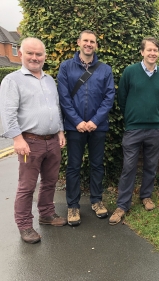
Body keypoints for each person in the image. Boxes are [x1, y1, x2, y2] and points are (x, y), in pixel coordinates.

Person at [0, 37, 67, 244]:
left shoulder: (49, 80)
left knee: (50, 181)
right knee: (27, 186)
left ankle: (46, 214)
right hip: (30, 143)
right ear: (20, 54)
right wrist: (17, 139)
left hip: (52, 140)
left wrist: (61, 132)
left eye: (39, 54)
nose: (35, 57)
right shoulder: (12, 81)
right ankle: (25, 225)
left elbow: (56, 108)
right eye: (30, 53)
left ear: (45, 56)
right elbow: (8, 113)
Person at [109, 36, 159, 225]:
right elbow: (122, 98)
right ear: (142, 52)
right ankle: (122, 205)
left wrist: (155, 114)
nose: (153, 53)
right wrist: (131, 117)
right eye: (149, 50)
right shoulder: (130, 72)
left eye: (155, 50)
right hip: (133, 129)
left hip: (155, 129)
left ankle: (146, 196)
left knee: (151, 166)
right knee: (129, 167)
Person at [57, 30, 115, 226]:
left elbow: (109, 98)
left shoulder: (105, 69)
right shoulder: (66, 67)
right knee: (74, 166)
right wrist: (77, 122)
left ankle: (97, 201)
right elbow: (64, 98)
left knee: (97, 165)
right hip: (75, 128)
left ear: (96, 45)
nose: (89, 44)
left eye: (92, 41)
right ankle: (73, 206)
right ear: (78, 43)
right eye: (86, 41)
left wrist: (95, 121)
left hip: (97, 127)